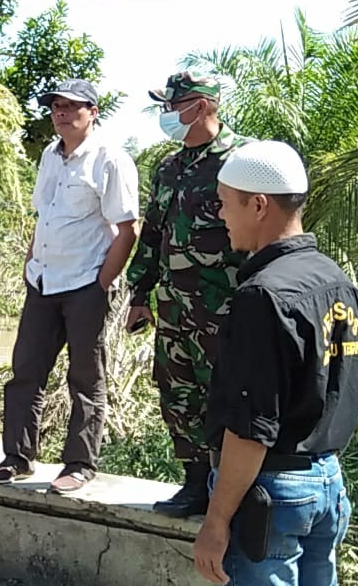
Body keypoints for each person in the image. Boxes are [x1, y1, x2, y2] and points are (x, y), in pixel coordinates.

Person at [193, 140, 358, 585]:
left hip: (273, 494)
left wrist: (216, 521)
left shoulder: (262, 296)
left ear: (258, 205)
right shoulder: (337, 281)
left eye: (225, 203)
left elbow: (252, 427)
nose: (220, 215)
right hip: (327, 482)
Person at [0, 79, 139, 492]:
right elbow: (45, 215)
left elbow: (127, 229)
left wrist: (101, 284)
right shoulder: (50, 157)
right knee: (25, 371)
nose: (61, 113)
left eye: (72, 106)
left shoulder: (110, 159)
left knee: (86, 378)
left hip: (85, 282)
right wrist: (30, 262)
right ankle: (17, 457)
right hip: (43, 281)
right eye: (56, 106)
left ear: (93, 111)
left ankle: (79, 464)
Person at [125, 71, 249, 517]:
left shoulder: (241, 161)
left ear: (203, 105)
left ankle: (230, 491)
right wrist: (139, 294)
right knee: (177, 393)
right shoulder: (169, 167)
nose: (168, 115)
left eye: (174, 105)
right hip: (175, 307)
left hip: (225, 308)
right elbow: (153, 233)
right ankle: (195, 482)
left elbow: (260, 233)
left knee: (228, 395)